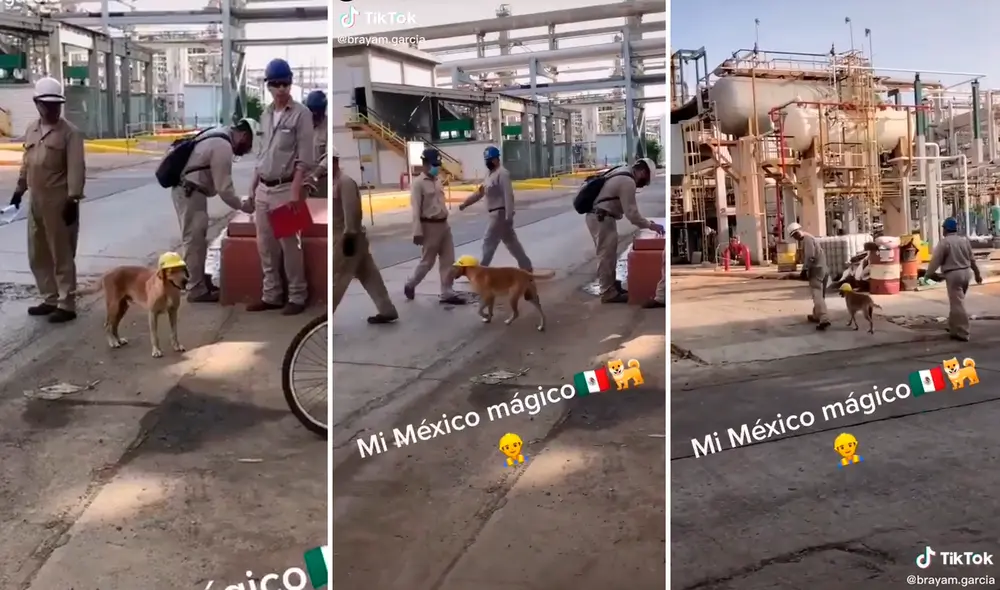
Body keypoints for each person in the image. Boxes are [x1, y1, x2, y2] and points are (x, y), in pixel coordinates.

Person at [8, 77, 85, 323]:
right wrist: (19, 190)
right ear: (36, 103)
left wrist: (73, 200)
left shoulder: (70, 133)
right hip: (36, 201)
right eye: (47, 105)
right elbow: (27, 163)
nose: (52, 109)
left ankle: (66, 303)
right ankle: (49, 297)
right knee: (38, 253)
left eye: (56, 105)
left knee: (62, 253)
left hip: (59, 201)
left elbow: (76, 168)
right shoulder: (31, 129)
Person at [244, 58, 314, 315]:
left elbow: (305, 157)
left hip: (286, 190)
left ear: (291, 83)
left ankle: (297, 295)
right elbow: (260, 156)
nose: (281, 89)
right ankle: (271, 295)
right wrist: (252, 188)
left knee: (290, 246)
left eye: (285, 83)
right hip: (263, 188)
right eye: (276, 84)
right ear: (268, 86)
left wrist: (296, 189)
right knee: (265, 245)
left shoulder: (301, 114)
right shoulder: (264, 115)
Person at [172, 118, 257, 303]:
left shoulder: (218, 133)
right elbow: (224, 189)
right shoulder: (223, 146)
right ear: (244, 135)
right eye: (249, 144)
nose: (247, 149)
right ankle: (196, 289)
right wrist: (245, 206)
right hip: (190, 192)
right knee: (194, 241)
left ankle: (199, 281)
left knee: (198, 240)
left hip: (191, 191)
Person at [332, 146, 398, 323]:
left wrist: (349, 236)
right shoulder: (334, 182)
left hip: (347, 236)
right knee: (369, 275)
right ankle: (387, 309)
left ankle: (323, 321)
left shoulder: (344, 183)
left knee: (337, 278)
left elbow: (351, 212)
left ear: (335, 161)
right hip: (350, 237)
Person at [586, 157, 665, 303]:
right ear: (642, 171)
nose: (644, 184)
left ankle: (611, 285)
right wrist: (650, 225)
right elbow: (632, 214)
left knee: (609, 253)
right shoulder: (628, 182)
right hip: (601, 218)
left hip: (600, 217)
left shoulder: (622, 171)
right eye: (645, 179)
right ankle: (607, 292)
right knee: (606, 255)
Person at [404, 147, 465, 305]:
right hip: (429, 227)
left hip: (443, 224)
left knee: (448, 259)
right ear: (424, 164)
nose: (436, 168)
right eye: (433, 164)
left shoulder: (438, 181)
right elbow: (416, 209)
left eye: (437, 164)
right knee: (427, 262)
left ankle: (447, 291)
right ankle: (410, 284)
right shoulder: (418, 184)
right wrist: (417, 231)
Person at [458, 146, 532, 270]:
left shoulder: (503, 174)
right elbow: (480, 193)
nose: (488, 162)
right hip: (494, 214)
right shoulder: (488, 174)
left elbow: (508, 195)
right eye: (487, 160)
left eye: (490, 160)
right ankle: (527, 267)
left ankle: (482, 269)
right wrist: (465, 203)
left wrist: (509, 216)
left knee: (488, 241)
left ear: (497, 159)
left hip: (500, 214)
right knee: (512, 243)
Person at [926, 217, 982, 342]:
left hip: (953, 275)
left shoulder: (945, 242)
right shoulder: (964, 240)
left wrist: (928, 274)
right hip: (966, 273)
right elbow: (972, 259)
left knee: (958, 304)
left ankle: (963, 332)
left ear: (946, 229)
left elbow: (936, 260)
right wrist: (977, 273)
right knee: (957, 302)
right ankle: (954, 328)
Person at [786, 222, 830, 330]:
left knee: (817, 295)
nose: (795, 238)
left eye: (795, 235)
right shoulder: (810, 238)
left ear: (798, 232)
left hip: (816, 270)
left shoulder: (807, 240)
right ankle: (816, 315)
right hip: (823, 269)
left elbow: (810, 257)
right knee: (820, 295)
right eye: (794, 236)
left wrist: (804, 270)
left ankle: (824, 318)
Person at [304, 90, 327, 199]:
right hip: (303, 180)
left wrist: (315, 175)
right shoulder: (303, 125)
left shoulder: (327, 128)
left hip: (322, 181)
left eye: (317, 113)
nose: (313, 116)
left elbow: (329, 157)